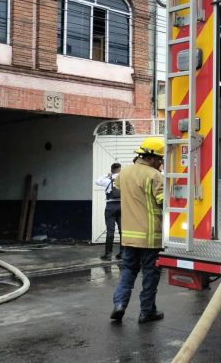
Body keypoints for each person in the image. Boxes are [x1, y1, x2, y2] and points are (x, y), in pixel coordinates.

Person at [110, 137, 166, 324]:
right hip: (150, 236)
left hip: (129, 236)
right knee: (150, 275)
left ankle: (119, 305)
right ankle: (146, 312)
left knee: (128, 271)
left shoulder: (124, 173)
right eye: (159, 159)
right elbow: (163, 202)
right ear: (150, 157)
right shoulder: (154, 176)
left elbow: (118, 188)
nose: (160, 163)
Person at [95, 163, 122, 261]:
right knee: (122, 231)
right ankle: (122, 254)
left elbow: (97, 181)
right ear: (120, 170)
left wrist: (107, 175)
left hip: (110, 207)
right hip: (121, 206)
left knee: (110, 231)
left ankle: (108, 255)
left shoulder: (107, 180)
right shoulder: (124, 180)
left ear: (112, 170)